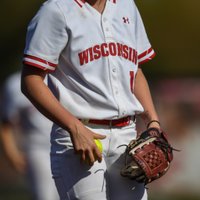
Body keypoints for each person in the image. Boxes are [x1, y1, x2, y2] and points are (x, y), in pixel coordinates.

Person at [21, 0, 160, 199]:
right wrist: (74, 127)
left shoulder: (126, 5)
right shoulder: (56, 9)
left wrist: (152, 120)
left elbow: (135, 69)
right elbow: (31, 80)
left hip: (126, 137)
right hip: (79, 134)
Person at [0, 71, 59, 200]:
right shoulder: (15, 83)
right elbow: (6, 124)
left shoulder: (66, 76)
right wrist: (12, 154)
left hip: (69, 144)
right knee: (45, 196)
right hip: (38, 148)